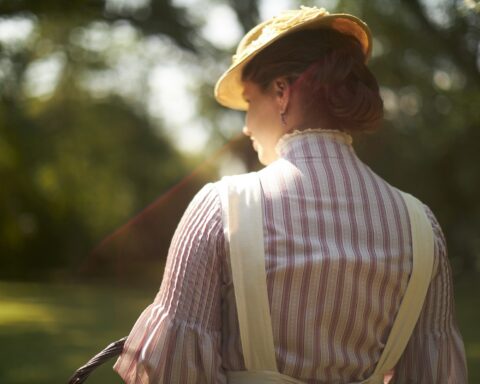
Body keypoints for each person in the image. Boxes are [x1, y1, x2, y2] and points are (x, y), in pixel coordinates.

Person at [113, 6, 468, 383]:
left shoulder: (222, 207)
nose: (246, 126)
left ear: (282, 92)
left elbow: (173, 373)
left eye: (250, 101)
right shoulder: (419, 225)